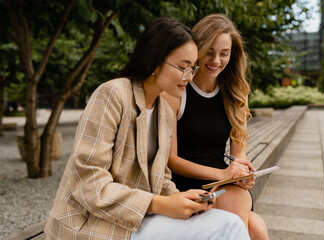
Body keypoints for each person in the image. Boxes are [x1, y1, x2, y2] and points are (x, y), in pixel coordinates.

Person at [44, 16, 250, 240]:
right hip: (93, 224)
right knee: (229, 227)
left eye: (192, 68)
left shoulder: (162, 109)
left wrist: (186, 200)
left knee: (230, 223)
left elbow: (160, 178)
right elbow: (89, 183)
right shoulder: (112, 94)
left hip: (138, 218)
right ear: (153, 62)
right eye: (183, 68)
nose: (189, 77)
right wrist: (161, 203)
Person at [162, 14, 269, 239]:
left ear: (233, 54)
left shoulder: (237, 93)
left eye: (224, 53)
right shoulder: (177, 91)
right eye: (209, 52)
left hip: (223, 182)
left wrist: (242, 172)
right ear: (196, 49)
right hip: (184, 184)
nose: (216, 60)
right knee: (256, 228)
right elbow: (172, 160)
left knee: (256, 227)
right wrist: (222, 172)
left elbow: (238, 153)